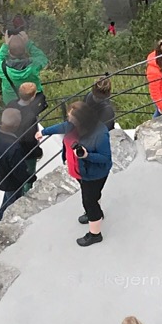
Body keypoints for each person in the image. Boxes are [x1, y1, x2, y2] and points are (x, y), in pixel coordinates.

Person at [48, 89, 114, 247]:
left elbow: (106, 158)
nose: (68, 122)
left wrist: (86, 156)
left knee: (89, 201)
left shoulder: (100, 133)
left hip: (94, 174)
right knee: (91, 197)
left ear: (81, 120)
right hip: (81, 172)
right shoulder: (73, 126)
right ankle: (95, 212)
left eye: (71, 119)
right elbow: (61, 127)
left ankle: (95, 233)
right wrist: (43, 132)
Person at [0, 104, 42, 219]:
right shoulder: (14, 146)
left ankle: (1, 219)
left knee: (8, 198)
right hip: (11, 181)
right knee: (12, 202)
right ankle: (2, 222)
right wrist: (31, 177)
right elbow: (19, 170)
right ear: (16, 125)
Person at [0, 17, 49, 103]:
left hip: (12, 105)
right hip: (32, 103)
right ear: (25, 49)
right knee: (32, 116)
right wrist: (28, 43)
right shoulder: (34, 65)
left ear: (9, 51)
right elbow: (43, 58)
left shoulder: (3, 68)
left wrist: (6, 45)